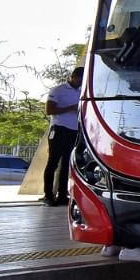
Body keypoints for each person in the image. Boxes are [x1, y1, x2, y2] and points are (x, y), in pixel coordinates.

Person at [42, 66, 82, 206]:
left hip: (74, 130)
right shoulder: (58, 90)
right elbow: (49, 110)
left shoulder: (82, 91)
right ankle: (48, 195)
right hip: (59, 129)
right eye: (79, 80)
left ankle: (62, 195)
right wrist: (70, 108)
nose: (80, 83)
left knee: (66, 164)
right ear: (73, 77)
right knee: (53, 162)